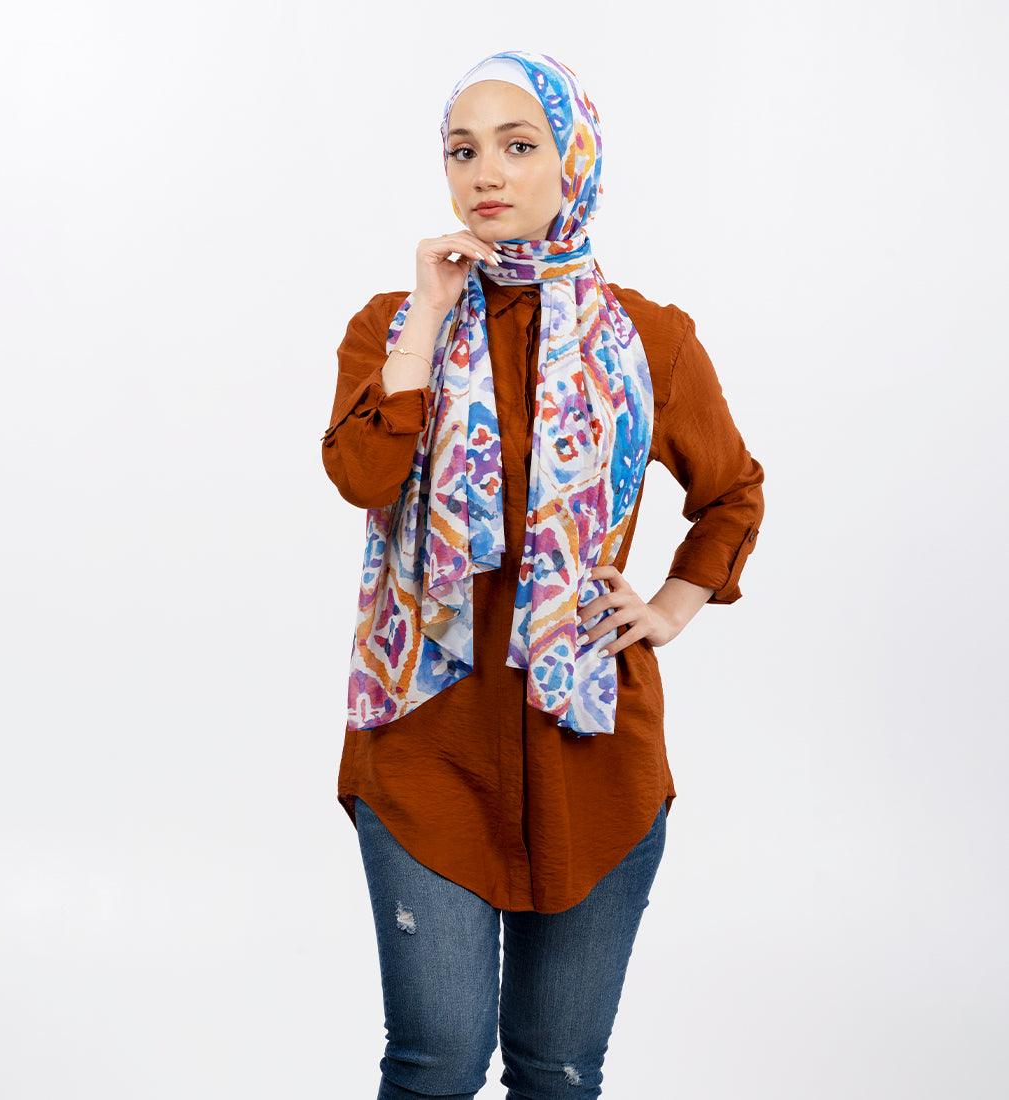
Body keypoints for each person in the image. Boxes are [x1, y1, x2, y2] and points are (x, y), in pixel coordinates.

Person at [320, 49, 765, 1100]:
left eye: (518, 146)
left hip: (591, 750)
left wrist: (669, 606)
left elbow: (732, 491)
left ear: (573, 161)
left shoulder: (650, 339)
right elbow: (361, 475)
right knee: (434, 1064)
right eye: (462, 150)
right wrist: (427, 318)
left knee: (558, 1072)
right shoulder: (389, 326)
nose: (486, 172)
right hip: (426, 742)